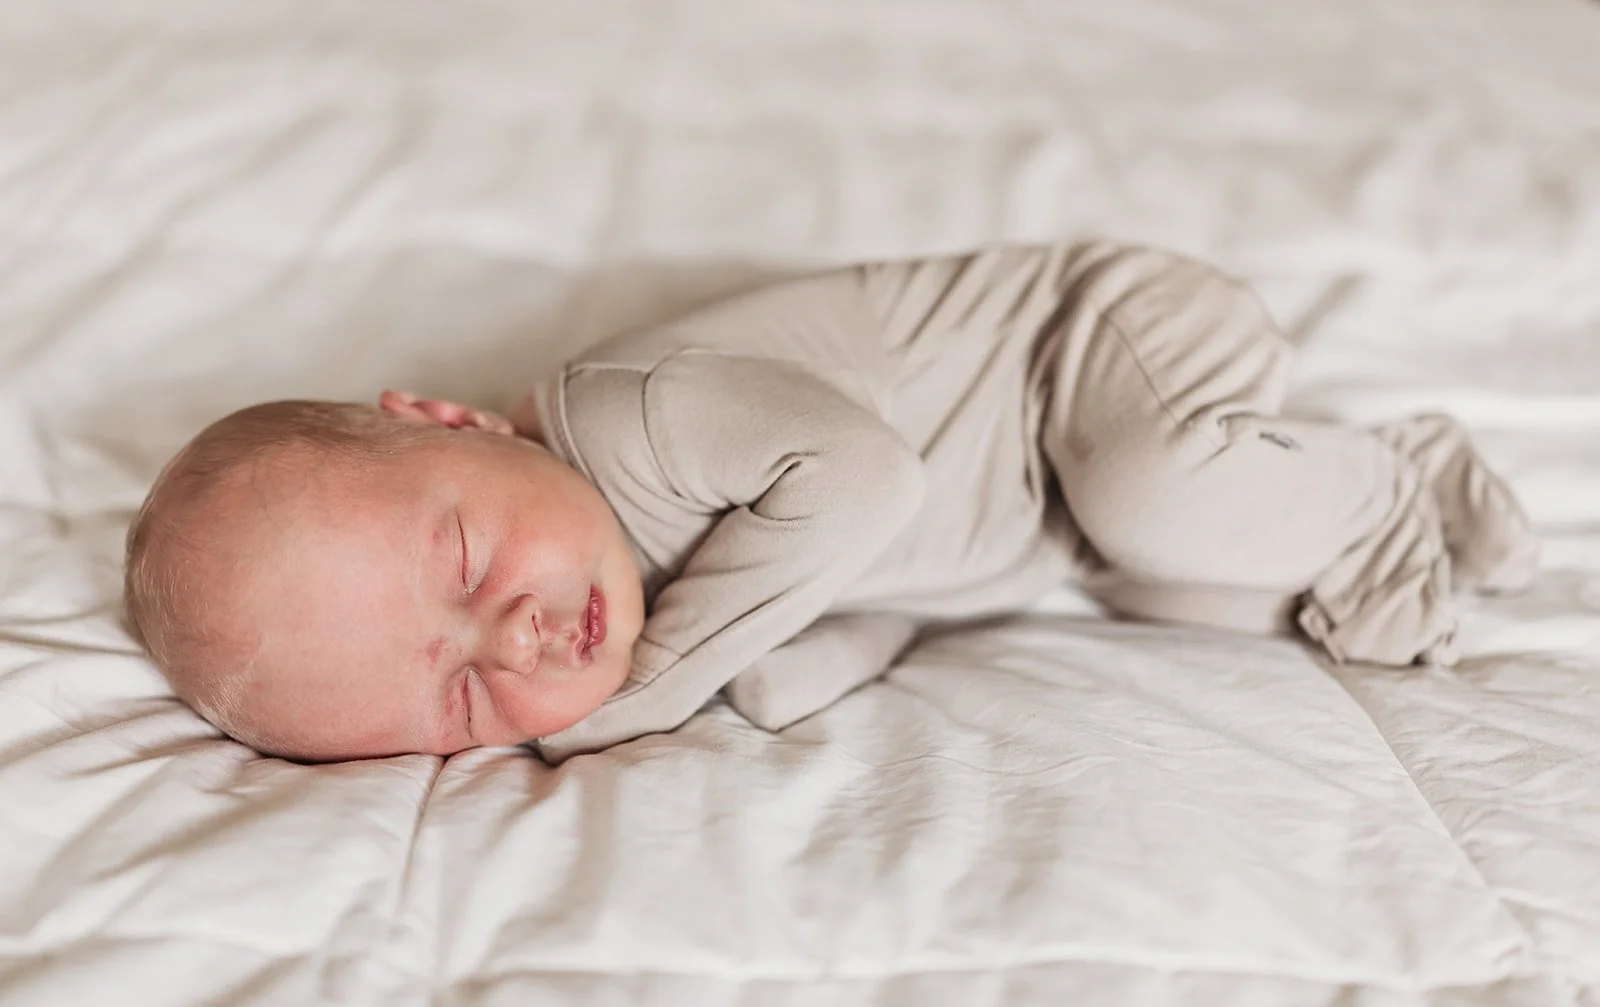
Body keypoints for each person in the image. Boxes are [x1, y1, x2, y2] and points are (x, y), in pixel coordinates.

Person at [123, 240, 1539, 763]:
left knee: (1165, 495)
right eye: (458, 704)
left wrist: (665, 683)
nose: (513, 636)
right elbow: (853, 607)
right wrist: (789, 665)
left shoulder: (629, 415)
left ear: (445, 417)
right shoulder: (648, 585)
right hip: (1049, 524)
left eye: (464, 553)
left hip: (1091, 351)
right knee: (1202, 595)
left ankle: (1398, 471)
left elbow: (865, 482)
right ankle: (1344, 503)